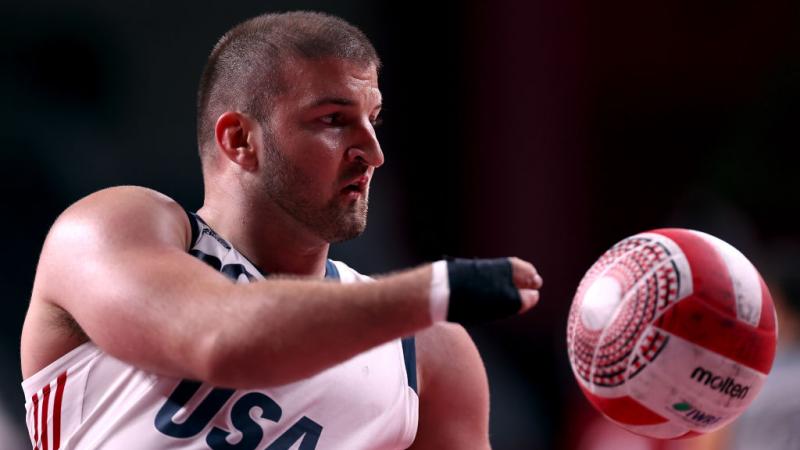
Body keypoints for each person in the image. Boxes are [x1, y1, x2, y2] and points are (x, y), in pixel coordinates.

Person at [19, 11, 542, 450]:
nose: (373, 154)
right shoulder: (112, 227)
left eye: (374, 120)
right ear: (240, 139)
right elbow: (220, 340)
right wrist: (436, 290)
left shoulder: (429, 352)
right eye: (334, 120)